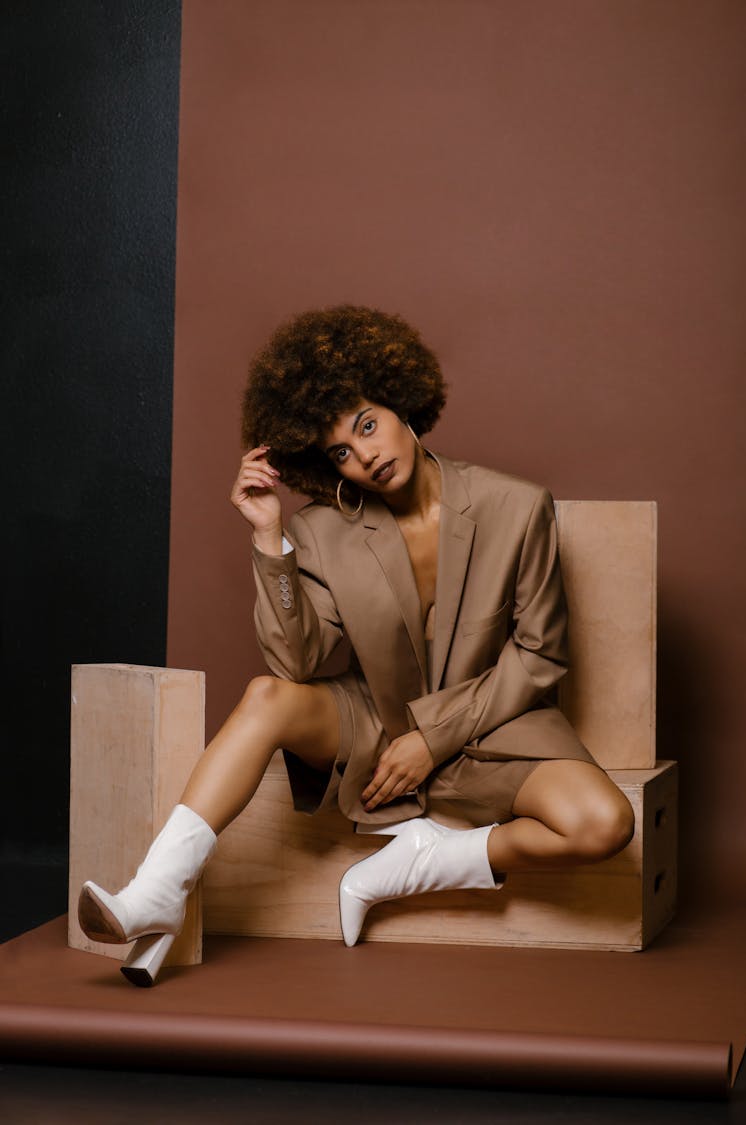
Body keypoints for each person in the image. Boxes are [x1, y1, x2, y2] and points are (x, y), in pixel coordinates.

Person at [78, 305, 634, 985]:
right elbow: (298, 662)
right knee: (266, 695)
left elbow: (540, 655)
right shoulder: (321, 530)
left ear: (402, 401)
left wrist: (434, 739)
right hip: (376, 725)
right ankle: (158, 890)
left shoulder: (517, 506)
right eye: (341, 449)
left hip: (496, 728)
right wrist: (267, 536)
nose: (365, 454)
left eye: (368, 424)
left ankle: (430, 857)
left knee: (605, 823)